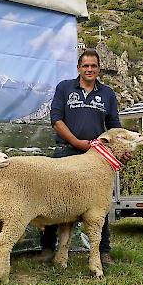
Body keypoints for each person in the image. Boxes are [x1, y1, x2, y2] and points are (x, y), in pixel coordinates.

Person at [34, 48, 121, 266]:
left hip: (96, 157)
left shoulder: (108, 94)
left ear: (99, 69)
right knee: (54, 200)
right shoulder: (64, 88)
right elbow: (56, 118)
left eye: (93, 66)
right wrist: (74, 141)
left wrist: (121, 147)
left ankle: (103, 251)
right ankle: (47, 248)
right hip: (66, 150)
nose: (89, 69)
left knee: (98, 204)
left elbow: (114, 126)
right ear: (78, 68)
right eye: (86, 66)